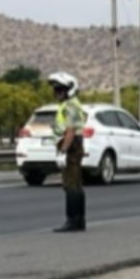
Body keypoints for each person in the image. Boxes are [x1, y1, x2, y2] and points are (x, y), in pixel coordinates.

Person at [48, 71, 87, 232]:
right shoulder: (72, 104)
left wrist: (63, 150)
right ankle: (79, 220)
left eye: (61, 90)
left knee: (70, 185)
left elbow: (70, 130)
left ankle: (72, 220)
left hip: (71, 147)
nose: (57, 93)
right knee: (76, 184)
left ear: (70, 89)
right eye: (56, 90)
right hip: (74, 146)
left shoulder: (70, 105)